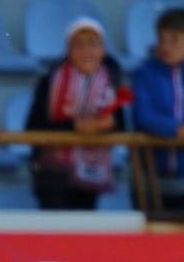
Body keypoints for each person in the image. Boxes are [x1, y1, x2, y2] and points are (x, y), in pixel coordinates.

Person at [26, 17, 129, 210]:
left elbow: (121, 126)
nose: (87, 51)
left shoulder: (112, 83)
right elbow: (33, 128)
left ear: (103, 50)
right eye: (79, 44)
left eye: (93, 44)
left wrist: (104, 125)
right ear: (68, 49)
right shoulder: (49, 81)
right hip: (52, 174)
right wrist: (75, 127)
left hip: (90, 175)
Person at [131, 7, 184, 214]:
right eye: (162, 39)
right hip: (150, 179)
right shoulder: (144, 73)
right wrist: (176, 130)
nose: (166, 46)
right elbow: (143, 116)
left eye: (174, 40)